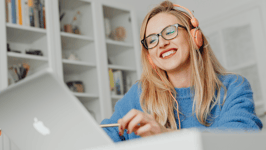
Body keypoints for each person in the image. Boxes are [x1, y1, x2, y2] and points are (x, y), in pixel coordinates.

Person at [101, 0, 263, 142]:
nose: (161, 43)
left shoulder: (233, 87)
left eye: (170, 31)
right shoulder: (139, 94)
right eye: (152, 40)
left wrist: (165, 135)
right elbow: (104, 136)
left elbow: (240, 140)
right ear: (150, 56)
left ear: (194, 37)